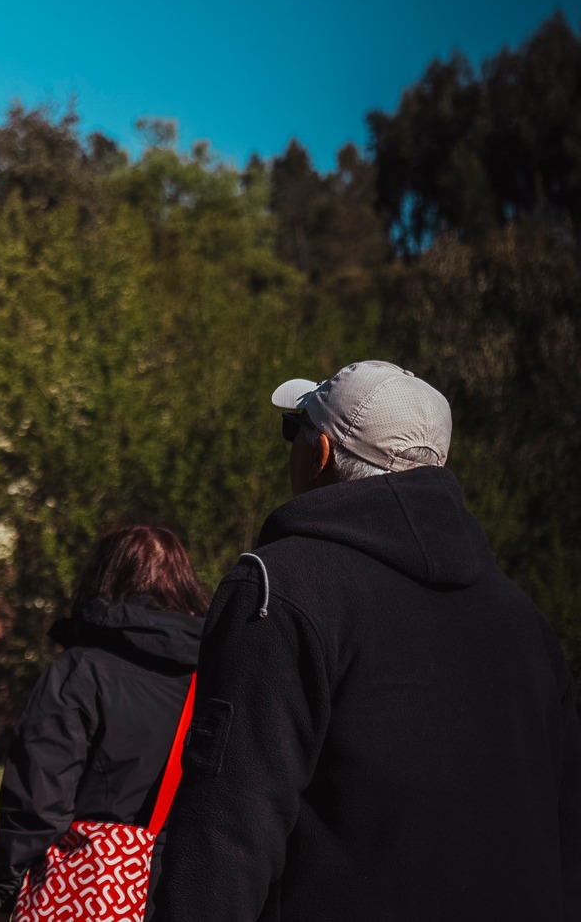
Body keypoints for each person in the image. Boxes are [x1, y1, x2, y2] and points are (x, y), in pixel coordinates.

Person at [148, 360, 581, 921]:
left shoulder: (280, 587)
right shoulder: (525, 622)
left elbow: (226, 832)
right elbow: (567, 827)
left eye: (294, 428)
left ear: (320, 453)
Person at [0, 525, 205, 921]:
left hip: (75, 893)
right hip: (171, 898)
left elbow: (36, 805)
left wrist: (2, 896)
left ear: (102, 579)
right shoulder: (210, 687)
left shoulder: (79, 672)